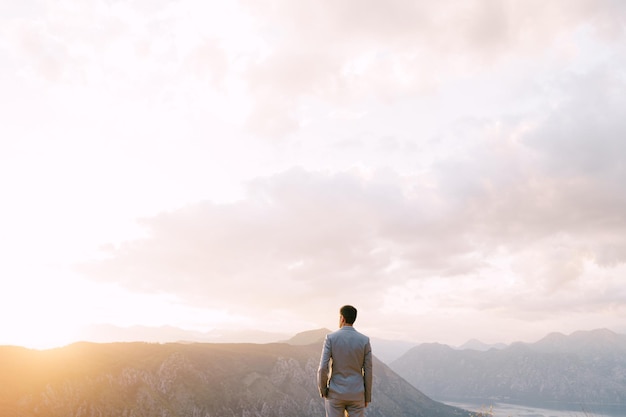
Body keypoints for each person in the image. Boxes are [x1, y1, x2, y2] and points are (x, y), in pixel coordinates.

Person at [317, 305, 373, 417]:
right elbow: (368, 371)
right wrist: (366, 397)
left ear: (342, 318)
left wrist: (323, 390)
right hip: (357, 394)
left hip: (335, 393)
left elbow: (323, 367)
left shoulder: (331, 338)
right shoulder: (364, 340)